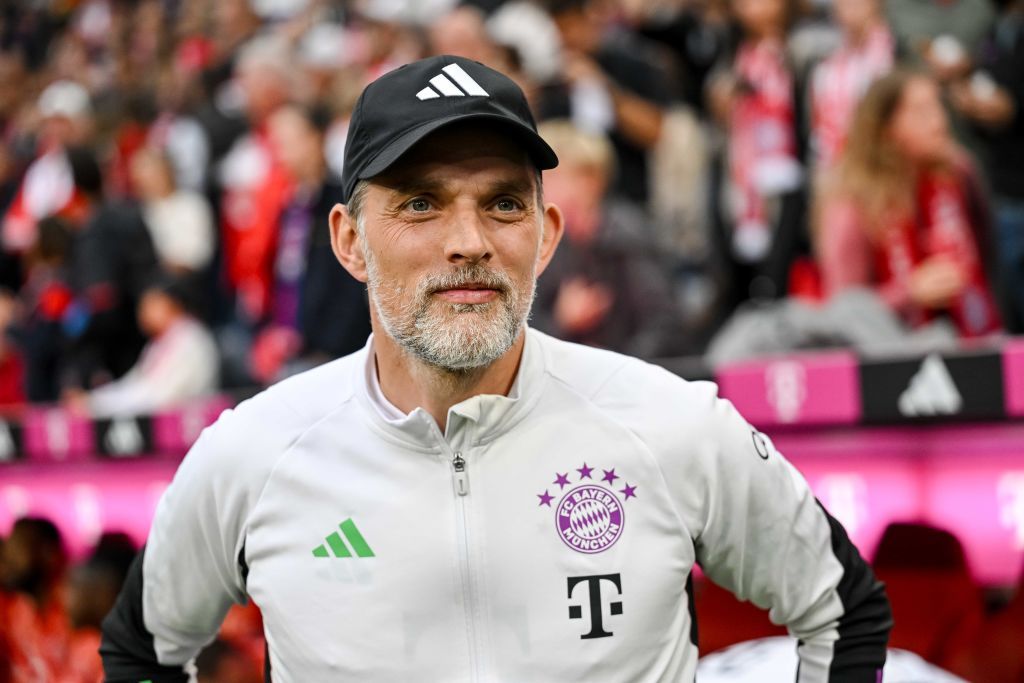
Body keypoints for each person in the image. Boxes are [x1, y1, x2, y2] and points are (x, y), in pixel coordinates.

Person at [100, 55, 891, 681]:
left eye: (503, 204)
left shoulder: (670, 424)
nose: (470, 239)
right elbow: (144, 650)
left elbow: (843, 611)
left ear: (546, 234)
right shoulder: (254, 454)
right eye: (421, 203)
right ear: (348, 241)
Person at [816, 69, 1002, 338]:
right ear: (886, 129)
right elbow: (844, 310)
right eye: (921, 111)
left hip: (976, 341)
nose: (939, 121)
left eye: (939, 106)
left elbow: (989, 260)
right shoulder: (852, 201)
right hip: (894, 355)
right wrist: (909, 293)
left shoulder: (958, 172)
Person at [532, 120, 690, 357]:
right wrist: (561, 322)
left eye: (552, 178)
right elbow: (525, 329)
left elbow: (664, 325)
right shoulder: (546, 241)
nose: (540, 190)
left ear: (590, 181)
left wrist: (614, 370)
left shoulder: (628, 237)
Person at [63, 278, 219, 418]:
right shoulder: (158, 343)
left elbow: (157, 396)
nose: (143, 313)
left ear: (172, 304)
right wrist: (93, 400)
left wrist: (95, 404)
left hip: (190, 430)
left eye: (151, 304)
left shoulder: (191, 338)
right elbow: (134, 384)